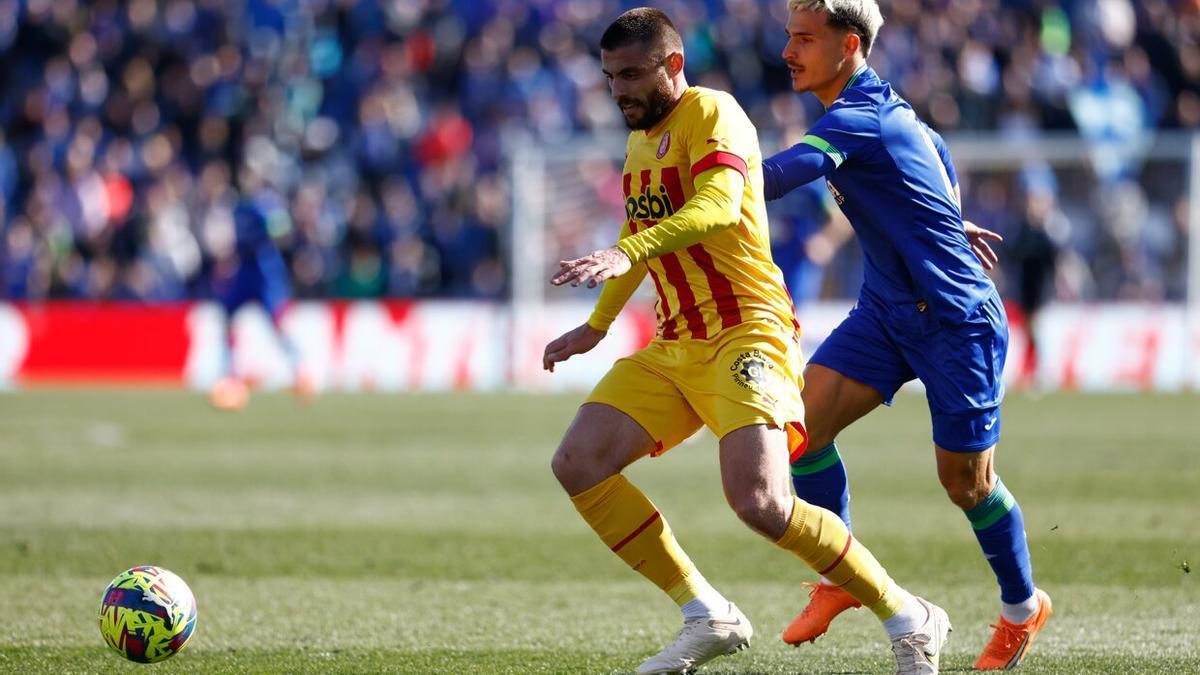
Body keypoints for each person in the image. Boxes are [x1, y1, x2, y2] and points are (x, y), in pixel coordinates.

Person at [543, 8, 950, 674]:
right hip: (677, 342)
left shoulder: (714, 114)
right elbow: (635, 234)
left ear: (672, 64)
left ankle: (910, 615)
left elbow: (719, 204)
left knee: (761, 501)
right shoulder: (641, 139)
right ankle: (707, 613)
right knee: (577, 462)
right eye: (611, 77)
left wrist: (632, 250)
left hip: (746, 329)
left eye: (632, 75)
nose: (619, 90)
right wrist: (596, 325)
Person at [762, 1, 1051, 669]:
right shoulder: (883, 111)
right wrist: (947, 221)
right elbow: (934, 161)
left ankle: (1021, 606)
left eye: (805, 39)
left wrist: (709, 176)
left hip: (955, 319)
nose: (788, 51)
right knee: (799, 431)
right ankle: (841, 576)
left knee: (965, 483)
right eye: (789, 37)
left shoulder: (859, 118)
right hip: (888, 312)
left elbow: (785, 175)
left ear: (850, 45)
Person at [207, 182, 314, 410]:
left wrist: (276, 223)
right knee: (228, 321)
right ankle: (229, 375)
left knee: (278, 324)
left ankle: (301, 372)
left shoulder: (265, 206)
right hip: (245, 272)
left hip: (265, 273)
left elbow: (282, 232)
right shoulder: (236, 209)